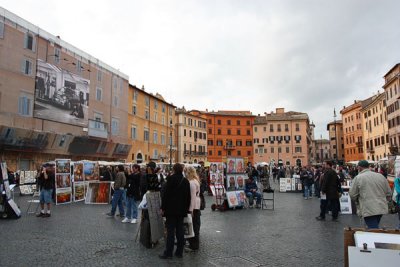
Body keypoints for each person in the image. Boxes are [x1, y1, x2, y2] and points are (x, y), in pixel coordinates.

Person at [160, 163, 191, 259]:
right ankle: (179, 252)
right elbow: (188, 197)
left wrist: (163, 208)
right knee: (180, 231)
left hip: (171, 210)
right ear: (181, 170)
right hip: (181, 210)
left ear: (174, 170)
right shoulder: (186, 181)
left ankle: (168, 253)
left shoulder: (170, 179)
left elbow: (166, 195)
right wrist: (186, 209)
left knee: (170, 232)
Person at [349, 160, 392, 229]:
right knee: (373, 226)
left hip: (368, 207)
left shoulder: (358, 178)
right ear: (368, 166)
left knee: (373, 229)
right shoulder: (380, 176)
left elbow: (352, 194)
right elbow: (389, 192)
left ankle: (376, 239)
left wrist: (358, 200)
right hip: (381, 206)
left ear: (359, 167)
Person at [184, 166, 201, 252]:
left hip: (194, 207)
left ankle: (193, 245)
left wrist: (191, 210)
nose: (185, 174)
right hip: (196, 206)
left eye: (186, 172)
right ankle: (194, 244)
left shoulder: (192, 183)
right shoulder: (196, 181)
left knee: (193, 226)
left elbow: (192, 197)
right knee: (195, 225)